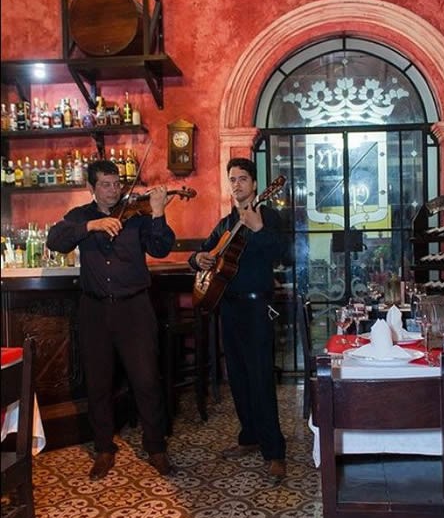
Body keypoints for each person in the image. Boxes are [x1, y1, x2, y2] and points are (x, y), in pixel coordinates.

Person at [47, 159, 175, 480]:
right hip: (95, 309)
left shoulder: (137, 216)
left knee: (146, 380)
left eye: (116, 183)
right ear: (91, 188)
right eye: (105, 184)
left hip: (135, 308)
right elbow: (55, 240)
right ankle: (104, 448)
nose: (113, 190)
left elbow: (161, 247)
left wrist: (158, 213)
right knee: (98, 382)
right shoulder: (81, 217)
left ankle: (156, 447)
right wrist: (91, 226)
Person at [188, 158, 287, 481]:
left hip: (258, 308)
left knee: (260, 379)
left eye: (243, 179)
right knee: (239, 379)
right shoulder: (226, 222)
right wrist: (197, 259)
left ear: (256, 185)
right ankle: (250, 437)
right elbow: (204, 252)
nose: (237, 185)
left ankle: (275, 452)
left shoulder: (269, 216)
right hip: (228, 307)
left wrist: (258, 230)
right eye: (233, 179)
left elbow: (285, 252)